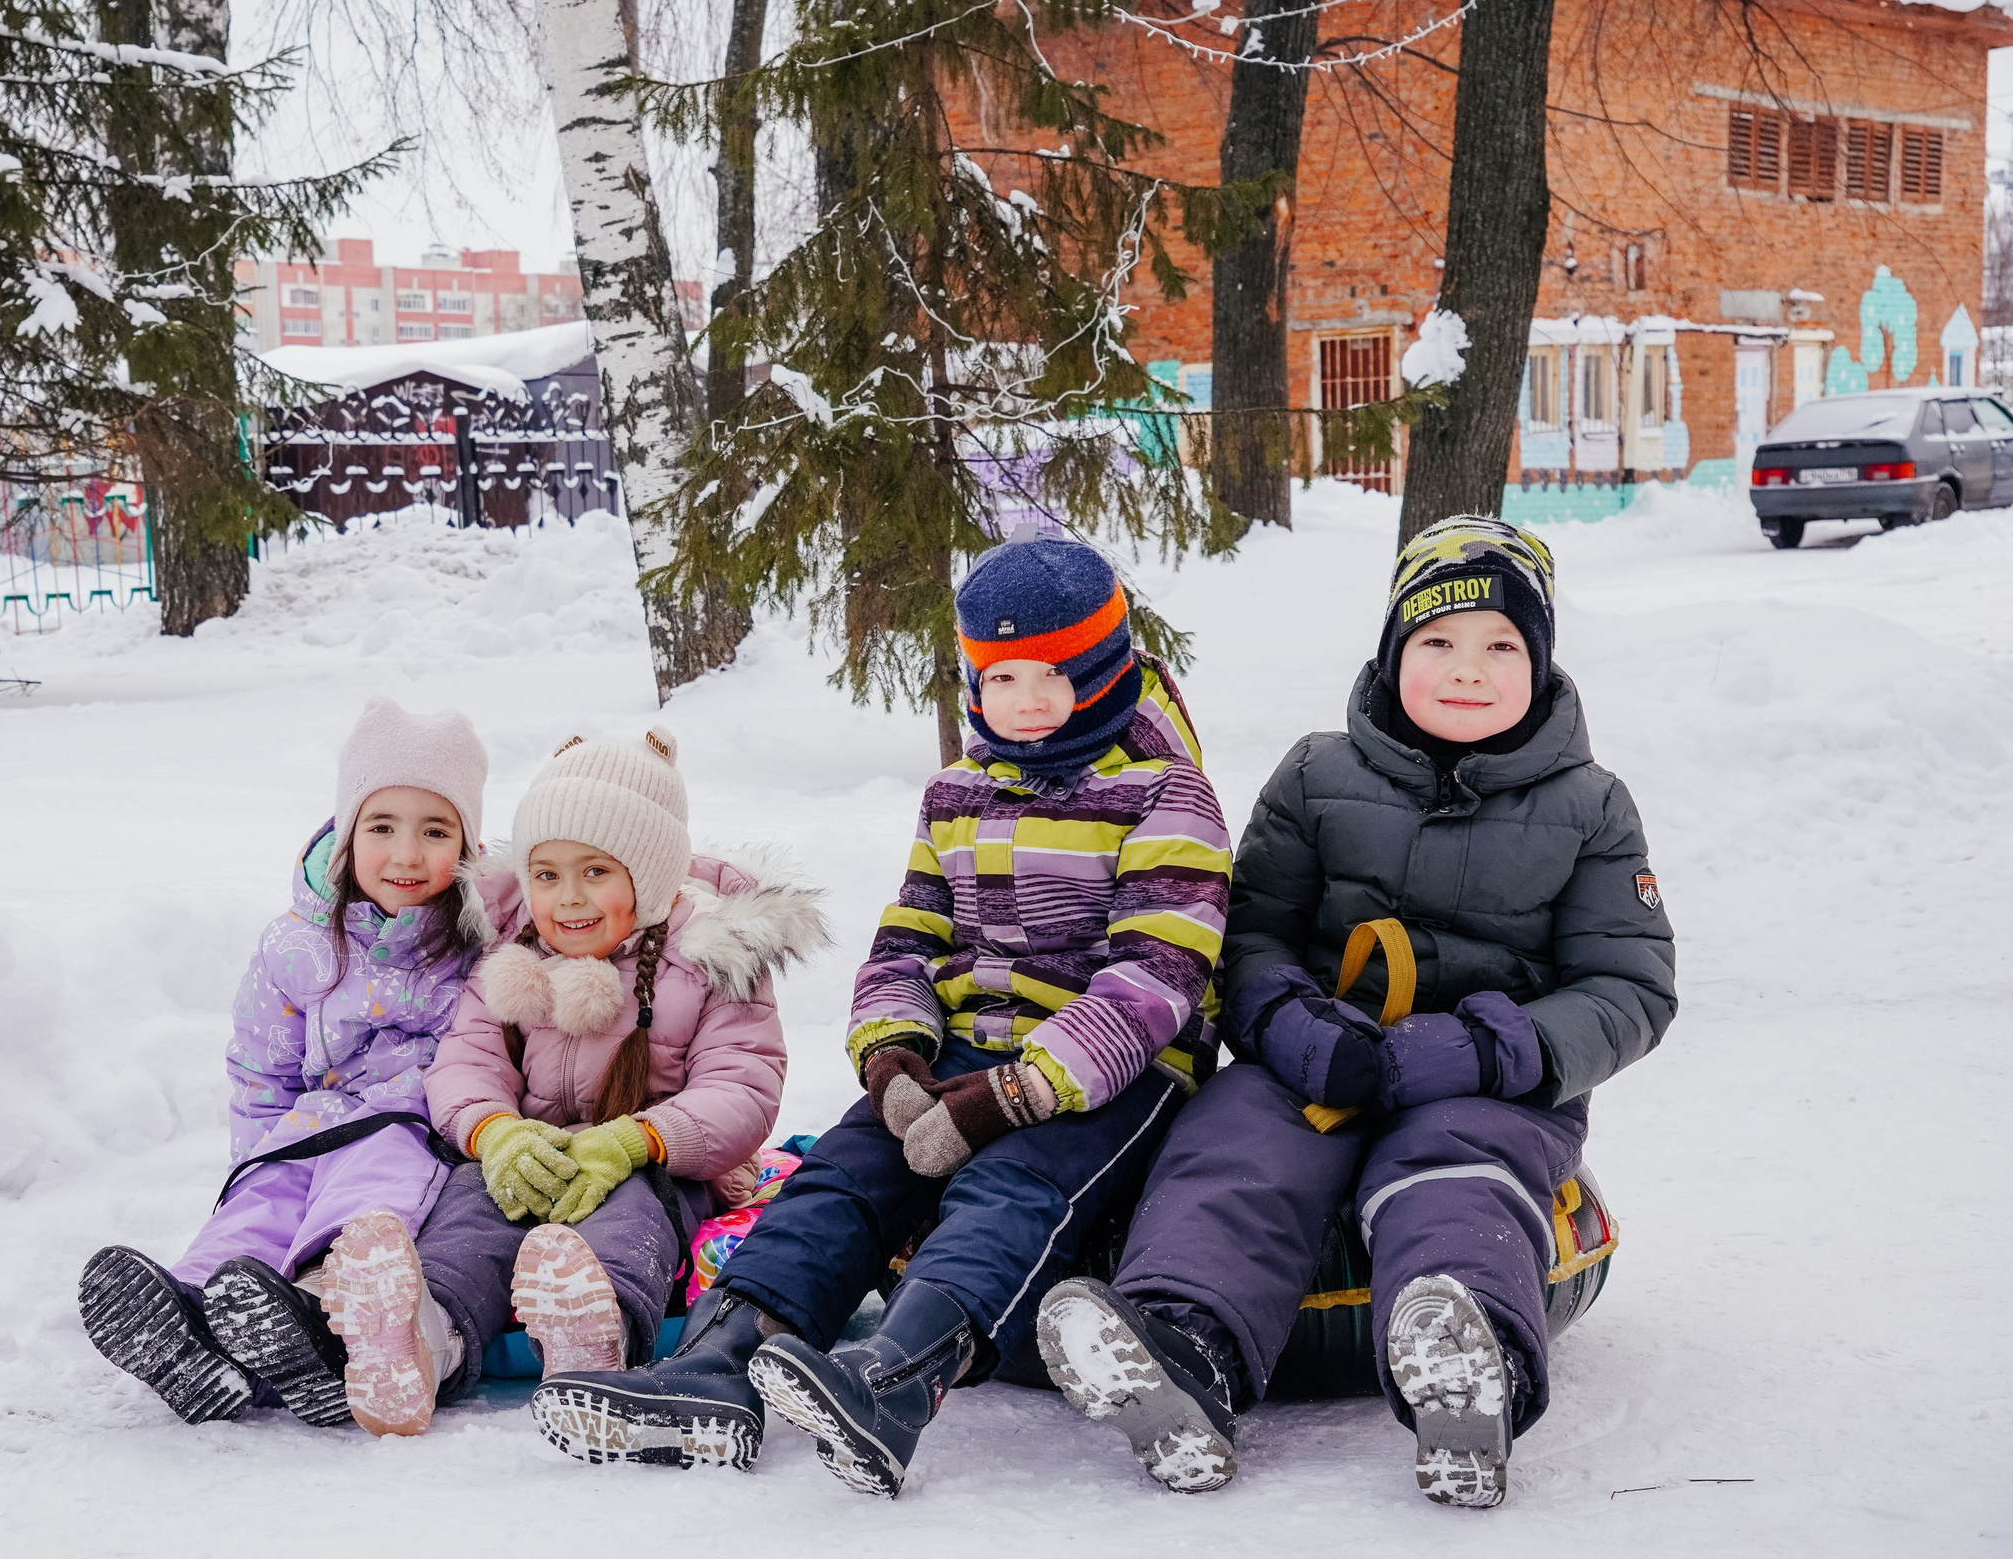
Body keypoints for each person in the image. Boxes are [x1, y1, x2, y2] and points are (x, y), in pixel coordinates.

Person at [531, 538, 1231, 1496]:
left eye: (1054, 675)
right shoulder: (958, 792)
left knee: (1009, 1189)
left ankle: (897, 1378)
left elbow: (1156, 977)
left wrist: (1014, 1096)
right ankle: (718, 1362)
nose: (1026, 701)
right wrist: (895, 1058)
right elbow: (910, 936)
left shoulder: (1165, 793)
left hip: (1108, 1073)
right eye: (1003, 678)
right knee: (847, 1169)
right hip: (960, 1050)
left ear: (1106, 668)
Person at [1035, 515, 1676, 1508]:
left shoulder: (1590, 806)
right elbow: (1247, 934)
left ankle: (1469, 1368)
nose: (1468, 670)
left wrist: (1491, 1048)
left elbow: (1629, 987)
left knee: (1453, 1171)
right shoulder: (1314, 776)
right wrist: (1291, 1024)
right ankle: (1184, 1349)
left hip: (1493, 1082)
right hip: (1320, 1057)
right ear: (1392, 651)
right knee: (1235, 1143)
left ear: (1542, 663)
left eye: (1502, 646)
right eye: (1438, 641)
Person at [313, 726, 827, 1438]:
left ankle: (596, 1332)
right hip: (534, 1151)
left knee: (633, 1213)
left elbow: (743, 1085)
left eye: (596, 872)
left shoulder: (712, 960)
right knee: (470, 1207)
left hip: (655, 1159)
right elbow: (466, 1059)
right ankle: (427, 1338)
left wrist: (637, 1140)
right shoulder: (514, 950)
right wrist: (495, 1133)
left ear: (649, 875)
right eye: (547, 875)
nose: (568, 898)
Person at [77, 698, 490, 1428]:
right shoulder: (297, 945)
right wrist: (254, 1158)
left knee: (367, 1194)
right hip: (306, 1126)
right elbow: (260, 1069)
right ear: (346, 834)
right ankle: (193, 1317)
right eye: (382, 826)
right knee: (261, 1204)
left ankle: (322, 1307)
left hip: (409, 1124)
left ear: (466, 846)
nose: (406, 853)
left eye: (435, 831)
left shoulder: (480, 945)